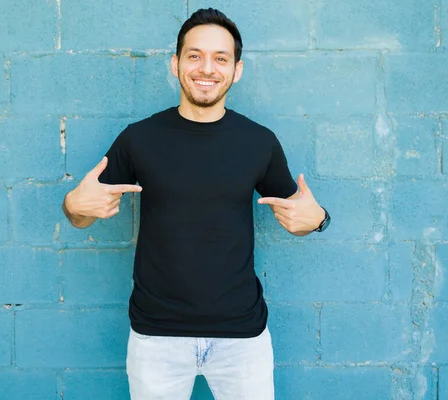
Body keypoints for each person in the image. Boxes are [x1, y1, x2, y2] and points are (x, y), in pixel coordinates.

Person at [62, 8, 330, 399]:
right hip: (157, 338)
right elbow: (82, 214)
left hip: (241, 338)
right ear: (175, 64)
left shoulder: (259, 142)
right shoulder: (139, 139)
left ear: (237, 69)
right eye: (194, 55)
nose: (207, 68)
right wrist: (74, 205)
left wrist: (317, 219)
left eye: (221, 58)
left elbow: (300, 214)